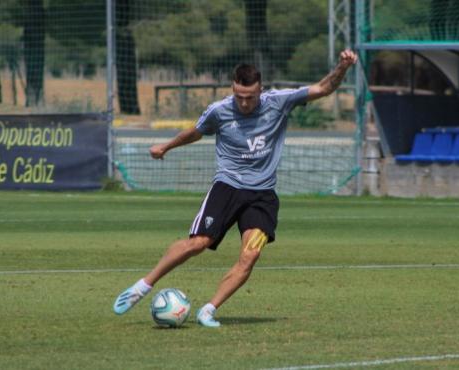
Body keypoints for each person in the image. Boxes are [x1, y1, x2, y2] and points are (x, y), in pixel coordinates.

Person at [112, 50, 358, 327]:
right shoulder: (219, 111)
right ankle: (142, 286)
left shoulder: (279, 102)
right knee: (199, 243)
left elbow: (324, 88)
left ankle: (208, 309)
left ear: (260, 90)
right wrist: (166, 146)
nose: (244, 102)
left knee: (250, 254)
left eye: (250, 97)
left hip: (263, 195)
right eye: (239, 96)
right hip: (227, 187)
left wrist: (343, 66)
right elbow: (196, 131)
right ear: (233, 89)